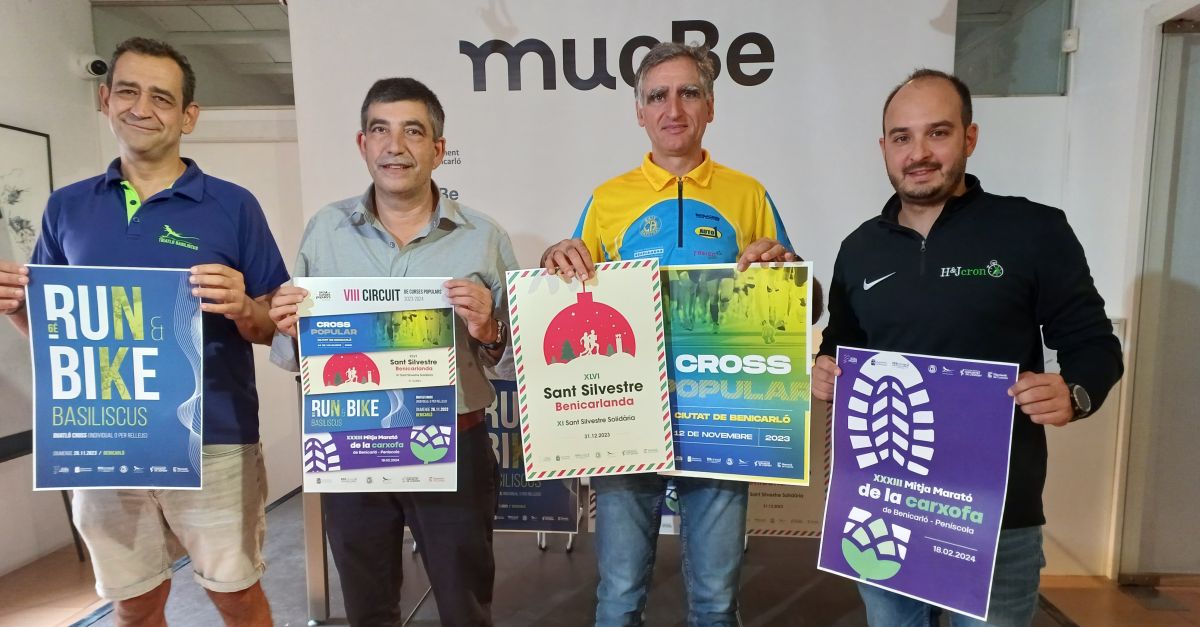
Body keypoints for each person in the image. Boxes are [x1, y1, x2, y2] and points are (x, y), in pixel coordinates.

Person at [812, 68, 1124, 626]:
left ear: (969, 137)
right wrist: (824, 370)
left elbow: (1094, 344)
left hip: (995, 515)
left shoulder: (1033, 230)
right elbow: (843, 346)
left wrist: (1075, 393)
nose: (918, 153)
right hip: (883, 506)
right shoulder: (859, 249)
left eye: (938, 132)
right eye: (902, 137)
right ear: (884, 148)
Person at [0, 37, 287, 626]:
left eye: (161, 97)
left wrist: (242, 307)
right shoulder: (66, 208)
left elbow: (273, 327)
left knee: (236, 595)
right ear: (105, 99)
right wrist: (16, 309)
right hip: (104, 438)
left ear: (188, 116)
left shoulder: (233, 206)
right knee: (133, 603)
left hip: (213, 436)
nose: (141, 108)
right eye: (128, 91)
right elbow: (59, 338)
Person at [542, 42, 820, 627]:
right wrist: (554, 262)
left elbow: (803, 305)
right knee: (618, 595)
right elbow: (566, 296)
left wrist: (789, 270)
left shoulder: (747, 193)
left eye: (689, 93)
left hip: (720, 412)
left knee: (716, 599)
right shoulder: (607, 199)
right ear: (639, 111)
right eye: (657, 96)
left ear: (710, 107)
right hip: (625, 414)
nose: (673, 109)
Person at [268, 77, 517, 627]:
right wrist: (287, 327)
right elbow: (293, 354)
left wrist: (489, 327)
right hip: (351, 441)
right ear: (363, 144)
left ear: (438, 149)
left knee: (465, 605)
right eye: (380, 130)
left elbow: (512, 361)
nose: (395, 146)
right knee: (367, 606)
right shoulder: (325, 231)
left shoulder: (484, 237)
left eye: (413, 131)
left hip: (453, 442)